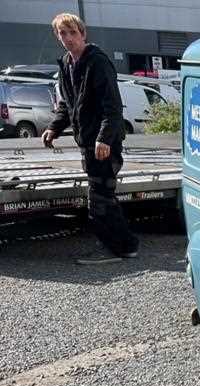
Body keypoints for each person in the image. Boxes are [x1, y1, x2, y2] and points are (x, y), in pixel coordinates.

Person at [42, 13, 139, 265]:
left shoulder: (97, 62)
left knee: (100, 197)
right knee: (101, 195)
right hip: (87, 142)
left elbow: (113, 105)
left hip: (104, 143)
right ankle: (122, 246)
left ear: (83, 34)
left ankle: (120, 248)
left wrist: (104, 138)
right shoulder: (66, 64)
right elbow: (68, 105)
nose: (68, 38)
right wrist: (54, 128)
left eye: (72, 32)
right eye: (62, 34)